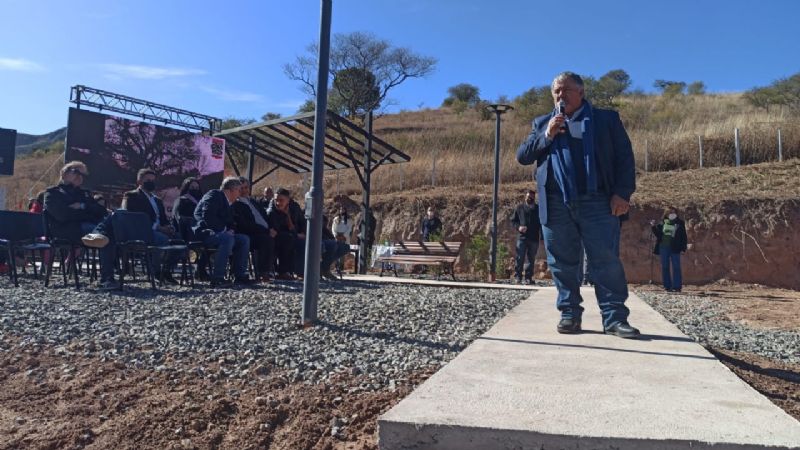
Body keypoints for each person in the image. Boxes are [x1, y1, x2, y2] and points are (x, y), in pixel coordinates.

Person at [516, 71, 639, 339]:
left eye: (566, 90)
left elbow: (624, 158)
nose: (561, 95)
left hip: (598, 201)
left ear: (581, 93)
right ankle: (569, 314)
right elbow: (523, 156)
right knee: (562, 263)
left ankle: (615, 319)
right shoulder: (542, 123)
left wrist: (622, 193)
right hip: (556, 202)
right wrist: (547, 135)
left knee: (605, 260)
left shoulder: (606, 119)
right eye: (556, 91)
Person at [121, 169, 180, 284]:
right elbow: (132, 218)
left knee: (179, 240)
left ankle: (166, 271)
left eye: (153, 180)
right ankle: (155, 272)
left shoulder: (157, 200)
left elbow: (163, 219)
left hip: (160, 231)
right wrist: (158, 228)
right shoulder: (131, 196)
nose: (151, 183)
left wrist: (169, 227)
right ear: (139, 181)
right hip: (141, 232)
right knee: (162, 239)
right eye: (148, 180)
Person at [193, 177, 252, 287]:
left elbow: (230, 222)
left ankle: (239, 275)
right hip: (205, 233)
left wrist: (231, 229)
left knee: (244, 239)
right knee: (227, 239)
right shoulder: (214, 195)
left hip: (220, 234)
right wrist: (224, 230)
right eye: (238, 190)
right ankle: (218, 278)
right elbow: (208, 217)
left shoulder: (229, 203)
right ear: (230, 190)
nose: (240, 193)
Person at [232, 177, 277, 282]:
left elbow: (265, 216)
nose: (244, 190)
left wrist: (272, 228)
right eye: (241, 188)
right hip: (250, 234)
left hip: (265, 231)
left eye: (246, 187)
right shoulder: (236, 204)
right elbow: (246, 225)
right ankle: (264, 272)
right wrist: (266, 231)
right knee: (266, 240)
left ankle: (284, 271)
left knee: (287, 237)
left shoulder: (253, 201)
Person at [172, 177, 209, 280]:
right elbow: (178, 219)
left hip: (200, 231)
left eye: (197, 187)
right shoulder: (181, 200)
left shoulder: (202, 203)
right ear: (186, 188)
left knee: (212, 242)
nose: (195, 189)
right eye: (192, 187)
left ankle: (200, 269)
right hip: (187, 233)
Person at [650, 208, 688, 292]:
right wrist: (653, 227)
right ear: (666, 214)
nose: (672, 214)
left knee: (676, 267)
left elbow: (684, 236)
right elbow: (659, 235)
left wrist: (683, 248)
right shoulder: (662, 223)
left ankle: (677, 286)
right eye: (670, 212)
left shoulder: (680, 223)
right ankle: (667, 286)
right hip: (664, 247)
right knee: (665, 266)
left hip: (675, 247)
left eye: (674, 212)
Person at [266, 188, 299, 281]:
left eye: (281, 200)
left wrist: (287, 215)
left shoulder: (292, 209)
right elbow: (276, 230)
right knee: (288, 239)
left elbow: (293, 229)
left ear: (288, 201)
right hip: (273, 237)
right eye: (276, 200)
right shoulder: (271, 212)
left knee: (294, 239)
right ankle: (282, 272)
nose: (278, 203)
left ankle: (295, 271)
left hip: (286, 236)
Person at [510, 189, 541, 285]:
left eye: (531, 197)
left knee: (531, 259)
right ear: (525, 197)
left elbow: (542, 223)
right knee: (519, 258)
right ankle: (518, 277)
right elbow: (513, 221)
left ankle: (528, 278)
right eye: (528, 196)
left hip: (534, 238)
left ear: (534, 198)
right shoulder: (519, 208)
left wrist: (542, 237)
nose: (529, 198)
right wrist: (519, 227)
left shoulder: (538, 209)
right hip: (522, 238)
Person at [321, 215, 350, 281]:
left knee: (345, 247)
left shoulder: (324, 228)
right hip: (319, 243)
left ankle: (325, 268)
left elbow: (330, 236)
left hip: (327, 243)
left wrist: (336, 240)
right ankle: (323, 269)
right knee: (331, 245)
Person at [331, 205, 353, 273]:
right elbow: (333, 228)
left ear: (345, 210)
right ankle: (336, 266)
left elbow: (349, 228)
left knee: (342, 252)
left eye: (343, 209)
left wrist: (344, 235)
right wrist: (335, 235)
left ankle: (341, 267)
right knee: (335, 251)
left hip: (344, 237)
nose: (342, 211)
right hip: (337, 237)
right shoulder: (336, 218)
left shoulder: (349, 220)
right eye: (340, 209)